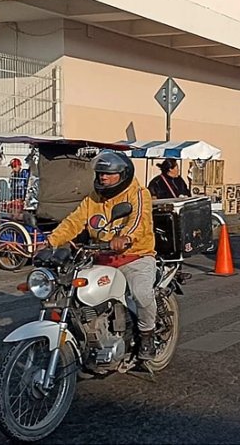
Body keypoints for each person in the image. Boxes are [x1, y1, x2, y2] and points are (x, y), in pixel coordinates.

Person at [46, 150, 157, 360]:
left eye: (108, 174)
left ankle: (146, 334)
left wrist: (126, 238)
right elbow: (73, 222)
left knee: (141, 293)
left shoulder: (139, 193)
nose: (102, 177)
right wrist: (50, 241)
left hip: (136, 255)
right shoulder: (93, 199)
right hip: (102, 257)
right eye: (99, 174)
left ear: (123, 174)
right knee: (72, 290)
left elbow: (139, 220)